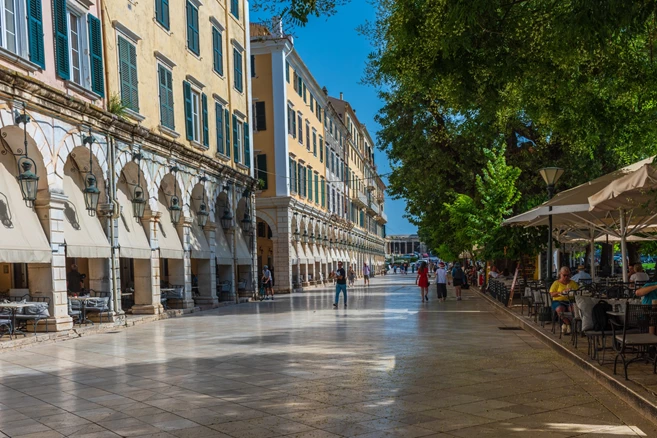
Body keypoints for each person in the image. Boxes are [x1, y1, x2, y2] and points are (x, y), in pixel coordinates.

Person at [549, 266, 579, 335]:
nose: (566, 277)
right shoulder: (556, 283)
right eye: (564, 275)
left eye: (568, 275)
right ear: (560, 274)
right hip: (558, 301)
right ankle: (568, 324)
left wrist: (572, 292)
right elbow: (552, 294)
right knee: (560, 309)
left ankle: (567, 325)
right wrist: (561, 292)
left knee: (573, 309)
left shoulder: (572, 283)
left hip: (570, 300)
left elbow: (577, 292)